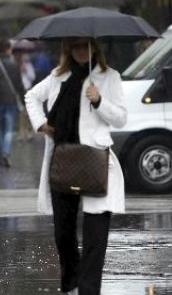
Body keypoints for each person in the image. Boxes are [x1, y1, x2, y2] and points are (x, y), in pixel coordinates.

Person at [25, 37, 127, 295]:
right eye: (76, 46)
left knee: (95, 234)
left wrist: (99, 101)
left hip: (94, 159)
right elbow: (31, 96)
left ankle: (89, 290)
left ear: (95, 47)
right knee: (63, 232)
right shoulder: (58, 76)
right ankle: (70, 284)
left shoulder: (110, 77)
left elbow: (121, 118)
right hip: (63, 157)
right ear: (69, 49)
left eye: (86, 45)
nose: (81, 51)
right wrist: (41, 124)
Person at [0, 39, 26, 168]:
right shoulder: (14, 65)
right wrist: (24, 101)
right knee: (9, 130)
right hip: (11, 101)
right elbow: (19, 85)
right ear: (8, 49)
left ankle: (1, 159)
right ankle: (6, 153)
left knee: (0, 131)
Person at [14, 49, 36, 142]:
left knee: (28, 112)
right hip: (18, 89)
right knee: (20, 111)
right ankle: (21, 133)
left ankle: (29, 132)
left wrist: (25, 71)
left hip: (27, 89)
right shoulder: (14, 66)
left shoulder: (28, 65)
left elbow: (33, 77)